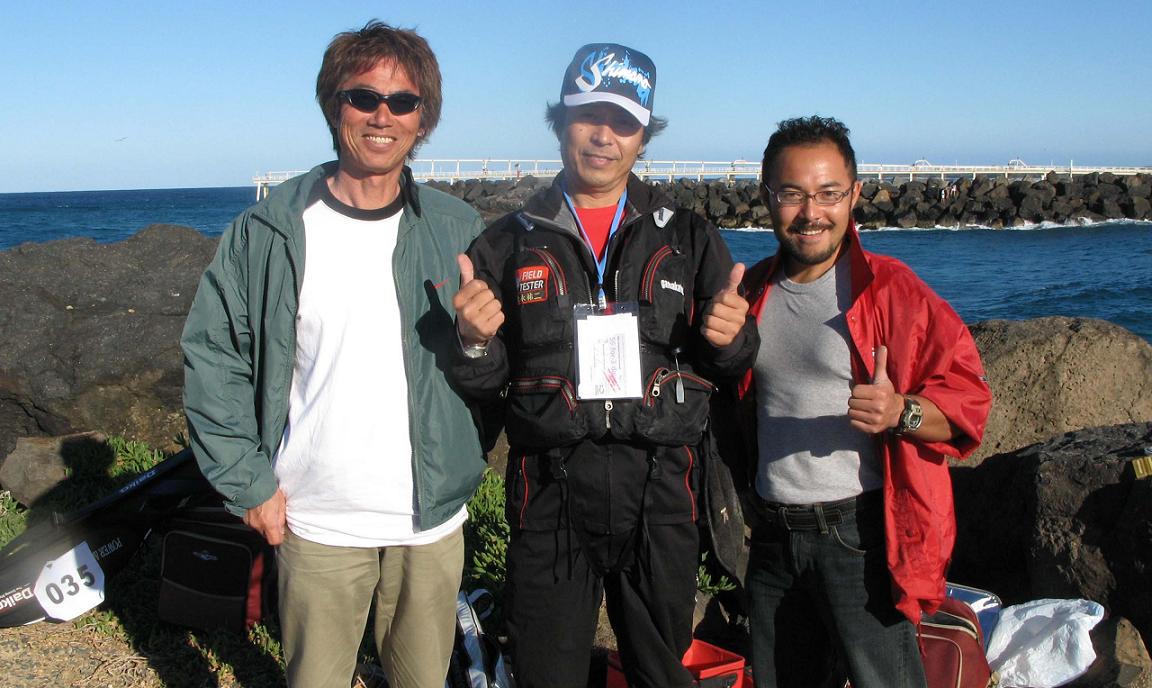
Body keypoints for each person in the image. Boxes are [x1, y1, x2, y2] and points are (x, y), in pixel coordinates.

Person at [181, 21, 488, 688]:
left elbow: (493, 372)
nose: (383, 116)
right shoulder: (268, 230)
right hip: (314, 518)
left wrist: (477, 342)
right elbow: (214, 358)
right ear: (333, 105)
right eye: (363, 97)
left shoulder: (459, 229)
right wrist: (249, 485)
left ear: (423, 119)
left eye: (403, 102)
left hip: (431, 524)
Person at [451, 43, 759, 688]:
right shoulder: (506, 241)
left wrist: (733, 338)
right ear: (560, 122)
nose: (603, 135)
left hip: (663, 487)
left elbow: (730, 363)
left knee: (661, 670)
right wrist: (474, 343)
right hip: (548, 488)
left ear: (644, 136)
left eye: (623, 121)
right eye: (588, 115)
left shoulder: (689, 236)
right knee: (545, 671)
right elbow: (483, 383)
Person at [730, 115, 993, 688]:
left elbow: (970, 402)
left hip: (858, 537)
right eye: (792, 193)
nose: (811, 212)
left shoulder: (891, 289)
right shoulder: (749, 292)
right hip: (772, 537)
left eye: (828, 193)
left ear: (854, 195)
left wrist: (902, 412)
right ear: (766, 196)